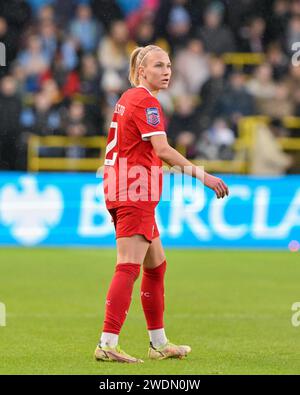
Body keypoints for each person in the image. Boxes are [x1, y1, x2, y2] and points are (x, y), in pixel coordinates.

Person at [95, 44, 229, 363]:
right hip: (133, 190)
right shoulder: (146, 100)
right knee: (128, 265)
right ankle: (107, 343)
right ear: (142, 71)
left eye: (168, 65)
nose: (166, 71)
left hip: (128, 187)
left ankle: (158, 344)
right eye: (158, 66)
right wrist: (203, 176)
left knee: (156, 265)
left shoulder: (129, 98)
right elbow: (163, 149)